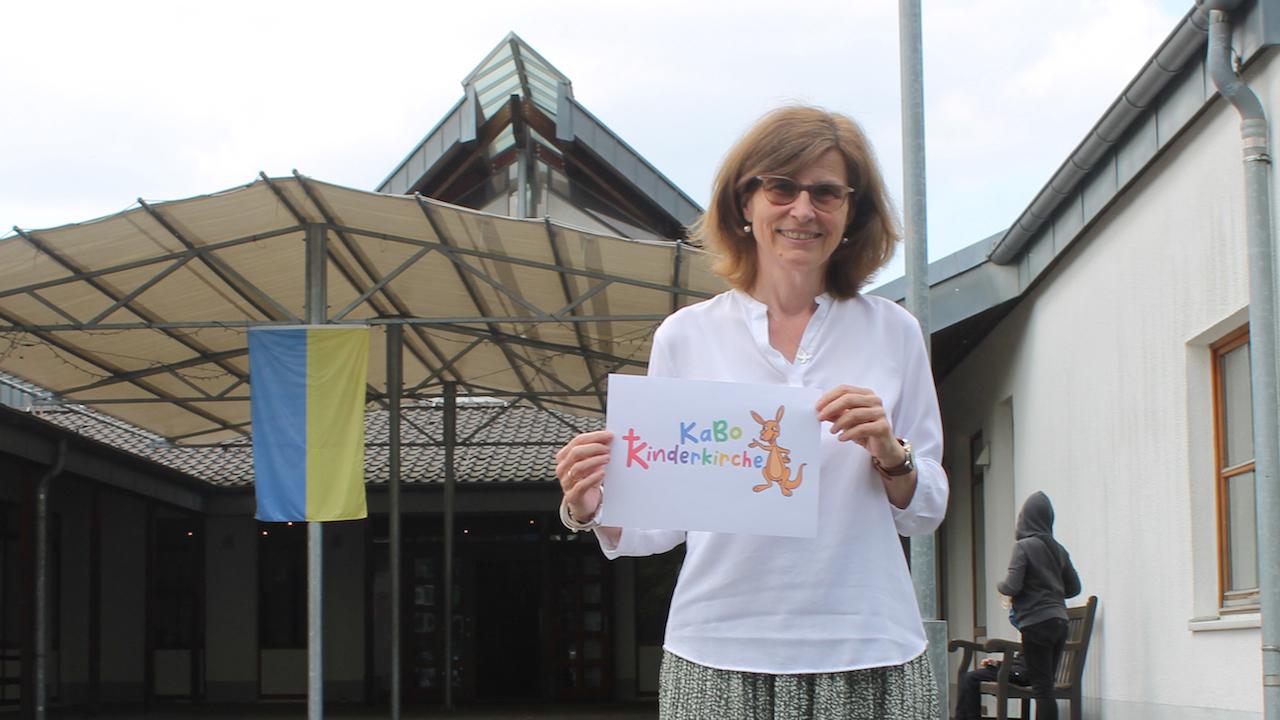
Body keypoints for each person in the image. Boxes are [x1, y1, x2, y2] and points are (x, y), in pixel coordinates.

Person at [555, 105, 948, 719]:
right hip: (717, 649)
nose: (802, 210)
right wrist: (591, 505)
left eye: (826, 193)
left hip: (869, 646)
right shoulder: (685, 336)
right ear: (745, 204)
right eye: (781, 188)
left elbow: (925, 512)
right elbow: (660, 523)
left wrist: (892, 456)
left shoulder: (894, 332)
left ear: (851, 212)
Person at [996, 491, 1081, 720]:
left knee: (1041, 689)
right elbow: (1074, 589)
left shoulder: (1024, 546)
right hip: (1059, 623)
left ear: (1025, 518)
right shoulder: (1059, 549)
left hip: (1036, 623)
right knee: (1047, 686)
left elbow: (1011, 586)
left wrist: (1000, 586)